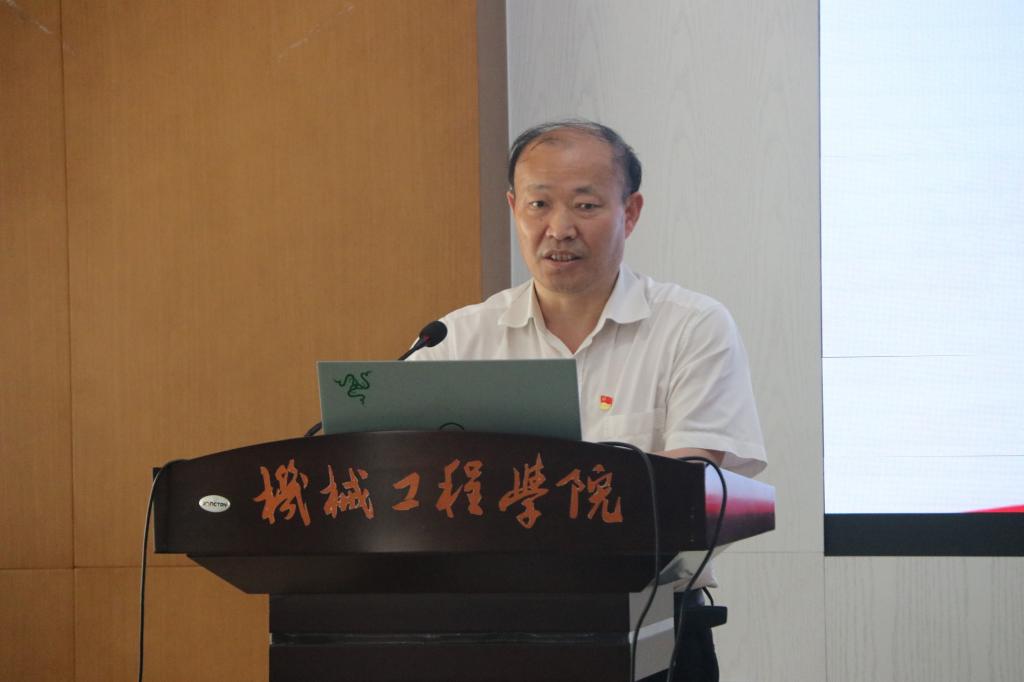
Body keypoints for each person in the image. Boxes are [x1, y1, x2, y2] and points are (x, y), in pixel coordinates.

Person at [412, 120, 766, 681]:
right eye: (539, 204)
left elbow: (688, 487)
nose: (559, 229)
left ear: (630, 212)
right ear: (514, 209)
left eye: (585, 205)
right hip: (490, 633)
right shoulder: (456, 339)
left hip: (655, 629)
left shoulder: (692, 327)